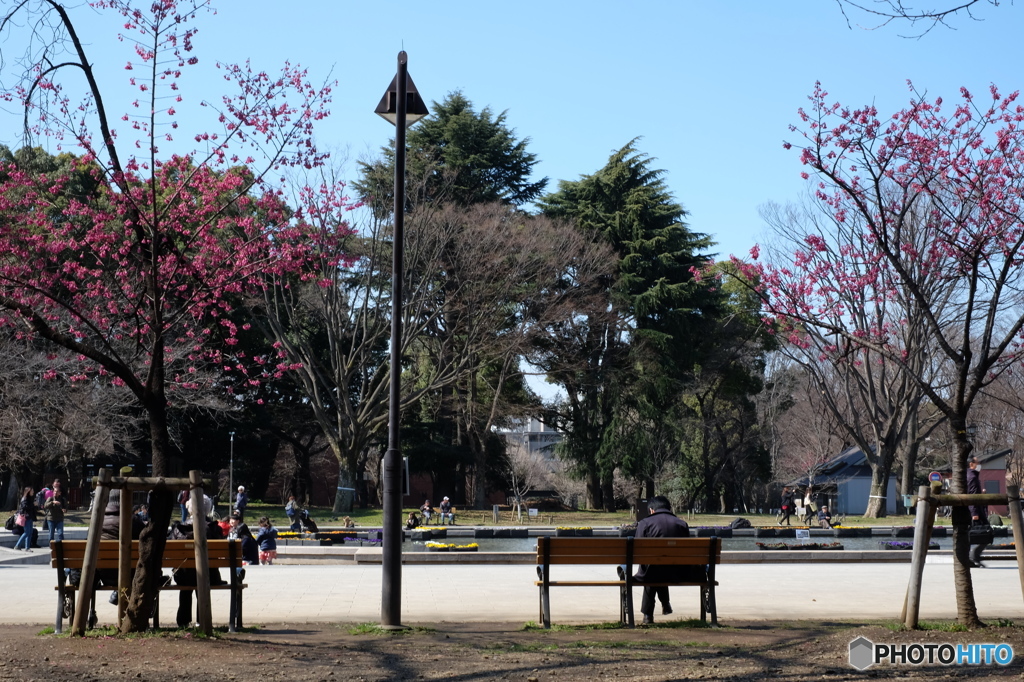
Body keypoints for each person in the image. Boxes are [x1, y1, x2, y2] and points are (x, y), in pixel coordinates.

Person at [629, 495, 700, 626]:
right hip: (678, 573)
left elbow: (637, 552)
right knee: (661, 566)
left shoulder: (645, 523)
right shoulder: (682, 524)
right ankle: (665, 604)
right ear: (669, 508)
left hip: (650, 574)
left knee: (653, 569)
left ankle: (648, 615)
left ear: (651, 510)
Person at [967, 456, 990, 568]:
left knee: (970, 536)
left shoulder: (970, 475)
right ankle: (974, 556)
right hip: (976, 511)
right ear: (971, 464)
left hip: (975, 509)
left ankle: (972, 557)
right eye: (978, 462)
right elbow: (972, 497)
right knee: (987, 534)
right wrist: (974, 513)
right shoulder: (972, 477)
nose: (979, 464)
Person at [13, 487, 37, 551]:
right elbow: (24, 507)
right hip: (26, 517)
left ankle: (27, 547)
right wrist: (33, 505)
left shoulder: (30, 499)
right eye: (32, 491)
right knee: (27, 532)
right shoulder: (24, 499)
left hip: (30, 517)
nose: (33, 492)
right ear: (28, 492)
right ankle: (17, 545)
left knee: (30, 532)